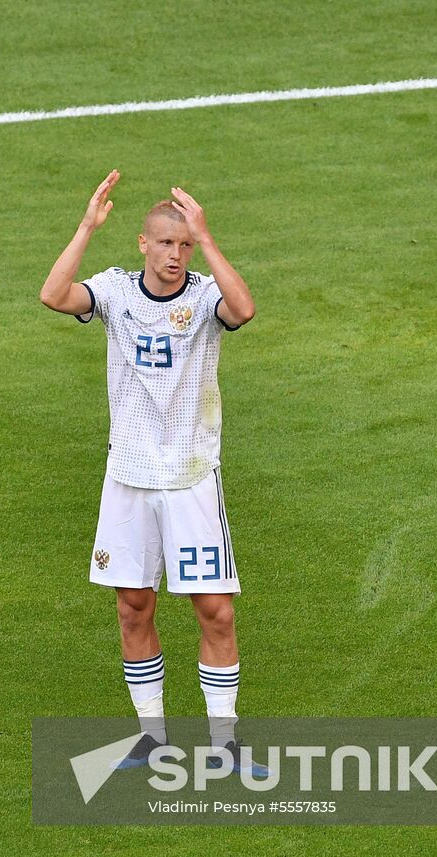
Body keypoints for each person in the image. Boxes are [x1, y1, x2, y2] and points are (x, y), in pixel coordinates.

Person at [39, 171, 264, 774]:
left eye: (185, 245)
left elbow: (243, 309)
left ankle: (224, 746)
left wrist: (210, 242)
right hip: (129, 477)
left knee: (214, 609)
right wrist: (86, 228)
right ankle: (151, 738)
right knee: (133, 606)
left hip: (191, 479)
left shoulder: (202, 298)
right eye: (168, 243)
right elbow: (54, 295)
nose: (176, 255)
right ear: (143, 243)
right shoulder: (113, 292)